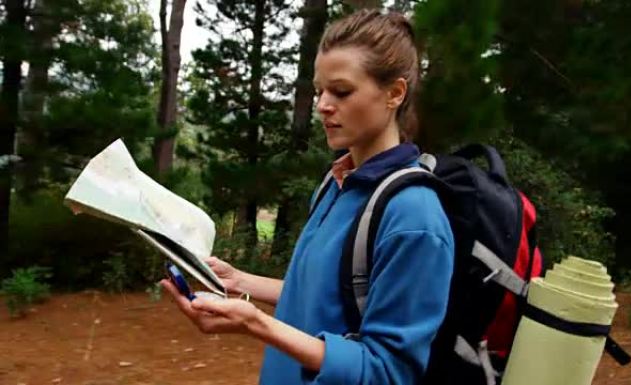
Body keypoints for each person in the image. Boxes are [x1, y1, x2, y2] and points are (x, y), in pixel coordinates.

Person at [161, 9, 455, 385]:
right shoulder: (336, 182)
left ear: (395, 93)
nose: (322, 105)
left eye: (341, 91)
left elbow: (386, 370)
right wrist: (241, 282)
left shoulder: (414, 217)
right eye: (319, 91)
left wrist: (257, 325)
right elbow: (320, 296)